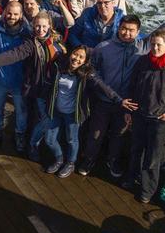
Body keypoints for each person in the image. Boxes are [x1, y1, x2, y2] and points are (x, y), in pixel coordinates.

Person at [78, 0, 165, 177]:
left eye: (132, 30)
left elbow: (162, 32)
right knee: (96, 134)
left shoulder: (142, 46)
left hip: (127, 104)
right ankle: (88, 161)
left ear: (138, 32)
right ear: (118, 28)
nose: (127, 33)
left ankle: (112, 162)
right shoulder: (103, 48)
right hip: (104, 101)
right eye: (124, 29)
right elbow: (93, 74)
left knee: (118, 136)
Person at [0, 11, 66, 161]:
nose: (40, 29)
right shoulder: (31, 44)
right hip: (37, 88)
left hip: (52, 90)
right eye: (37, 26)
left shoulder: (58, 45)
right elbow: (15, 54)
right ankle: (31, 144)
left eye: (44, 26)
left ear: (50, 27)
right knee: (42, 118)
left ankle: (33, 143)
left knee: (41, 117)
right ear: (32, 26)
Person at [41, 45, 124, 178]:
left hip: (73, 114)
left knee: (71, 139)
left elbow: (102, 86)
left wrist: (119, 100)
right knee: (49, 139)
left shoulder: (87, 74)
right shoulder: (59, 66)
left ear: (86, 61)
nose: (76, 59)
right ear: (70, 54)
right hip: (55, 110)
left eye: (81, 57)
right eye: (75, 54)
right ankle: (59, 159)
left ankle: (70, 162)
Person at [123, 28, 165, 203]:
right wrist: (129, 110)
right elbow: (132, 85)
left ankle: (147, 190)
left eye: (159, 45)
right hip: (140, 114)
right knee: (136, 150)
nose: (155, 48)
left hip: (159, 120)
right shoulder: (143, 62)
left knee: (152, 157)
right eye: (152, 45)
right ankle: (131, 178)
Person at [0, 1, 30, 152]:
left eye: (16, 14)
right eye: (9, 13)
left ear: (21, 15)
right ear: (4, 13)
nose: (12, 17)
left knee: (21, 110)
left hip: (18, 79)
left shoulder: (26, 32)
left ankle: (20, 135)